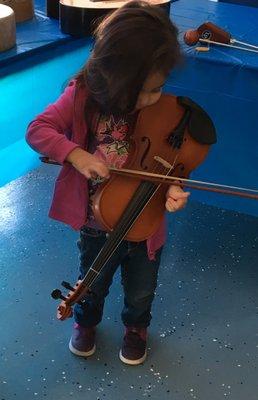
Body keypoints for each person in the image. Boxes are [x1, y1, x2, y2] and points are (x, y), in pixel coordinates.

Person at [26, 0, 190, 365]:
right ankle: (85, 322)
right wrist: (77, 155)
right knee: (92, 281)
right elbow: (38, 129)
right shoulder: (82, 96)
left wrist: (174, 190)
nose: (151, 100)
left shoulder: (158, 110)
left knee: (141, 288)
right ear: (113, 77)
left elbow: (171, 164)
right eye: (143, 91)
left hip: (146, 222)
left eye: (158, 88)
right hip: (94, 220)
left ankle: (136, 328)